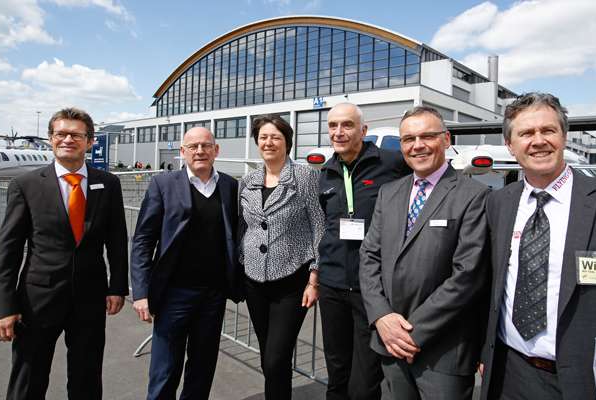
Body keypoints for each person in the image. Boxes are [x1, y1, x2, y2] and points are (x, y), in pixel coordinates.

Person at [479, 92, 596, 400]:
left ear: (564, 137)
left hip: (590, 381)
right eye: (526, 133)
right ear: (510, 145)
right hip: (509, 374)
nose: (538, 140)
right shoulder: (498, 203)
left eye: (548, 130)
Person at [0, 107, 128, 400]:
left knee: (86, 377)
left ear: (89, 142)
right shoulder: (25, 186)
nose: (68, 139)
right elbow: (8, 250)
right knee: (28, 378)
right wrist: (3, 307)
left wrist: (118, 286)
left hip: (90, 299)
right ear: (51, 139)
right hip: (36, 300)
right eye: (61, 134)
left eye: (76, 135)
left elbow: (117, 240)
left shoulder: (109, 183)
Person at [359, 106, 489, 400]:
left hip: (443, 350)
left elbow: (467, 276)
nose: (417, 145)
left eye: (427, 136)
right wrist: (381, 317)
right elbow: (369, 257)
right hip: (389, 342)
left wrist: (410, 333)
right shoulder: (389, 192)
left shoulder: (474, 195)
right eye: (408, 139)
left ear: (446, 139)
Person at [130, 127, 243, 399]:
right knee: (165, 369)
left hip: (213, 296)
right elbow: (143, 240)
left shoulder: (229, 185)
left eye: (206, 146)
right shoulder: (164, 184)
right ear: (182, 152)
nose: (200, 151)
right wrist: (141, 292)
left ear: (216, 151)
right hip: (173, 294)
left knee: (202, 368)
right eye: (193, 146)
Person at [318, 102, 410, 400]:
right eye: (333, 126)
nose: (339, 132)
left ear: (363, 130)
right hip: (332, 284)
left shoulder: (392, 162)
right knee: (336, 366)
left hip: (371, 288)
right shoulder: (327, 172)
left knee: (365, 377)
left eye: (347, 125)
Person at [239, 115, 324, 400]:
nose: (269, 142)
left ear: (287, 142)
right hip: (254, 280)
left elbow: (319, 226)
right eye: (263, 137)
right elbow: (244, 227)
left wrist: (315, 277)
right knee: (269, 357)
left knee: (276, 357)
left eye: (275, 137)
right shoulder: (247, 181)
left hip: (292, 281)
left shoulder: (305, 177)